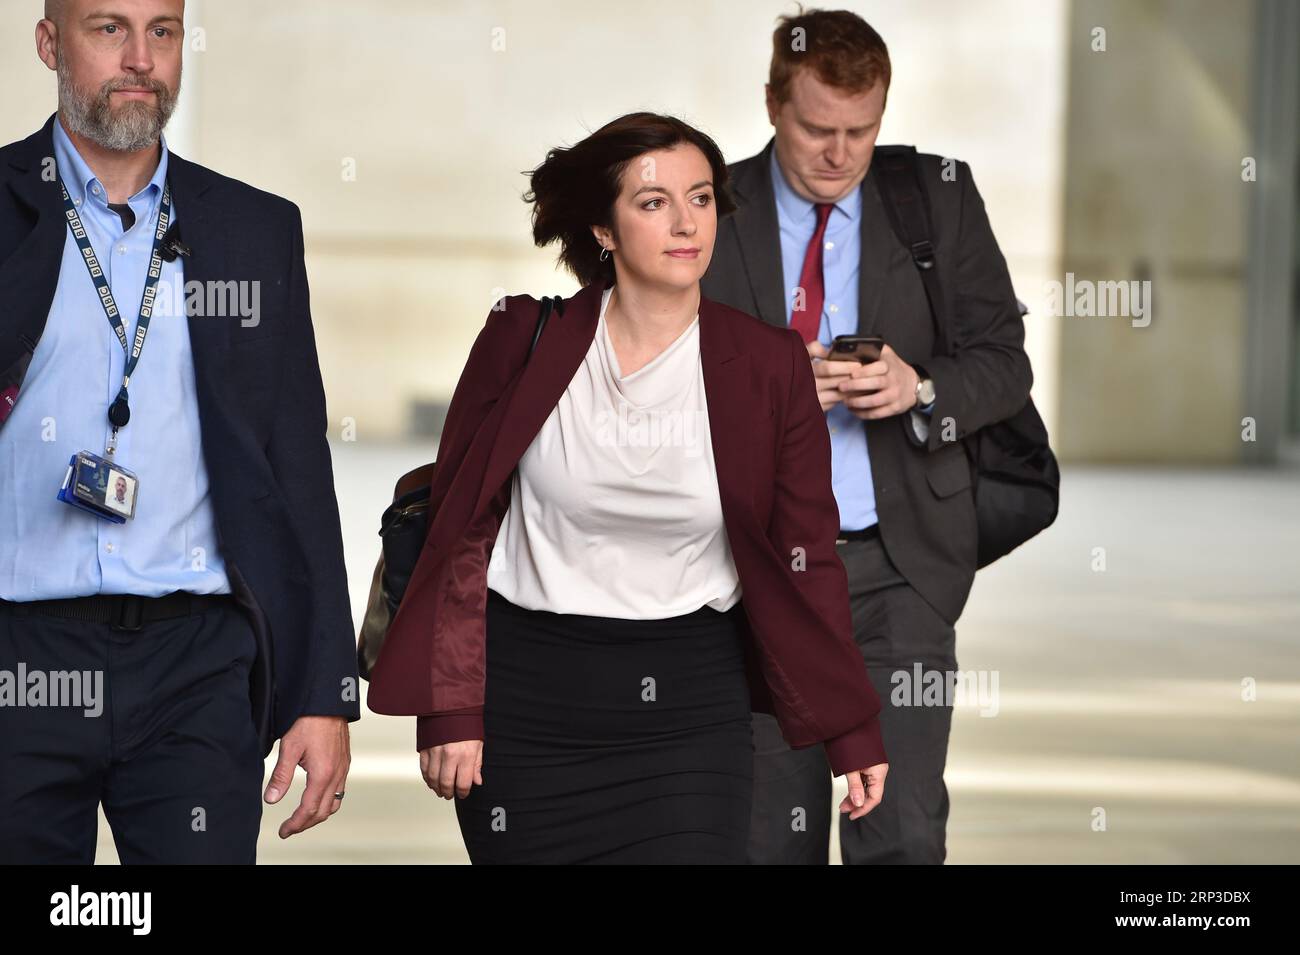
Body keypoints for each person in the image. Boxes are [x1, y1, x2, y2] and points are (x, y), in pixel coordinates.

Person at [366, 111, 889, 864]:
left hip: (689, 708)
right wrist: (449, 711)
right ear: (603, 230)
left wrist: (851, 726)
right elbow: (458, 532)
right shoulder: (521, 339)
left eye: (702, 198)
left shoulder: (769, 366)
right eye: (654, 202)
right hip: (527, 704)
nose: (686, 223)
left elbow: (807, 556)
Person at [0, 0, 358, 863]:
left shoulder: (254, 229)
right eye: (107, 29)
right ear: (50, 42)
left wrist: (323, 691)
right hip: (19, 655)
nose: (138, 58)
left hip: (195, 662)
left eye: (161, 32)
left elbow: (296, 464)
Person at [701, 7, 1034, 865]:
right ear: (773, 104)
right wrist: (766, 396)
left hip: (900, 565)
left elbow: (1005, 362)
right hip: (757, 572)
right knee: (767, 838)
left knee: (904, 833)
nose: (839, 154)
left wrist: (918, 387)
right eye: (817, 129)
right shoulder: (709, 213)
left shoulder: (939, 198)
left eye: (862, 129)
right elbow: (650, 379)